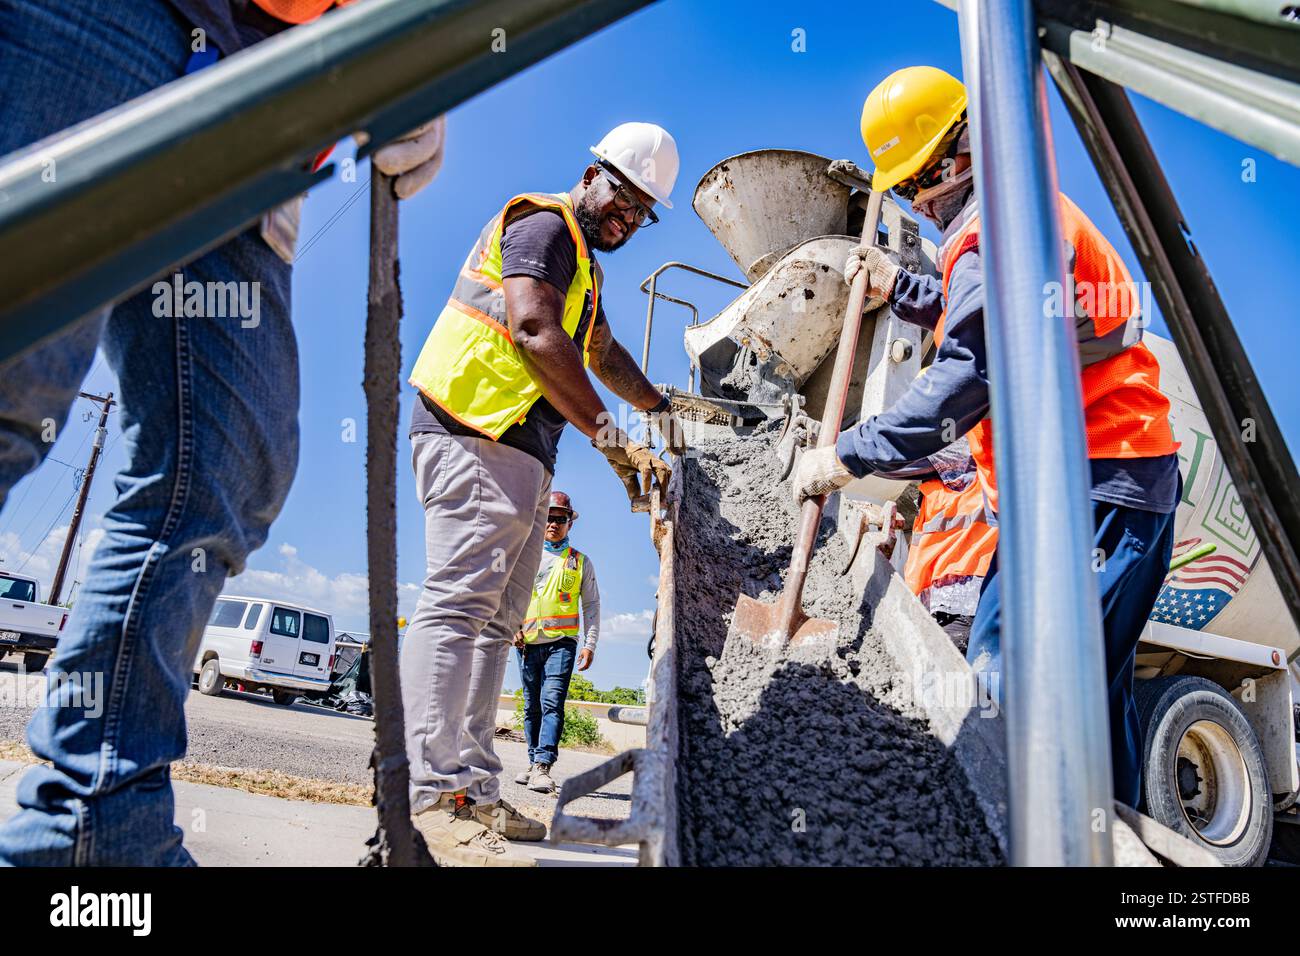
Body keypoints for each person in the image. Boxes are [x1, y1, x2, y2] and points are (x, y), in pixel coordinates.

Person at [0, 0, 444, 866]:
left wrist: (403, 47)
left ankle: (95, 836)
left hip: (271, 101)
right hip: (104, 21)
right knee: (14, 380)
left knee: (222, 469)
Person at [793, 66, 1180, 806]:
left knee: (1007, 686)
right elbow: (988, 311)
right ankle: (1122, 854)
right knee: (1093, 700)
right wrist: (897, 287)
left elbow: (973, 369)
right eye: (905, 190)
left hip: (1095, 483)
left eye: (918, 183)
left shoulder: (995, 226)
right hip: (1103, 482)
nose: (919, 202)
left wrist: (846, 454)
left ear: (957, 156)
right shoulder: (1019, 219)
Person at [400, 122, 685, 866]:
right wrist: (611, 435)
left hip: (520, 450)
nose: (625, 221)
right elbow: (532, 330)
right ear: (593, 176)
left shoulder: (583, 267)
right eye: (622, 200)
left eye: (640, 215)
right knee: (460, 607)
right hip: (474, 431)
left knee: (494, 625)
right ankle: (429, 795)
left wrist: (658, 409)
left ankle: (473, 789)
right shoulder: (545, 226)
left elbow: (600, 349)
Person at [510, 492, 601, 795]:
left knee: (552, 702)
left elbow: (591, 605)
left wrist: (590, 644)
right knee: (531, 705)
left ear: (569, 524)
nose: (553, 523)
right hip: (527, 643)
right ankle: (532, 760)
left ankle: (543, 766)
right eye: (548, 517)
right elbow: (510, 593)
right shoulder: (526, 556)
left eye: (560, 519)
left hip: (562, 643)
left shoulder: (579, 562)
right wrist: (512, 626)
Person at [900, 438, 997, 655]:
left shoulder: (959, 448)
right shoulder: (1004, 457)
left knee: (939, 679)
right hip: (981, 603)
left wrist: (835, 451)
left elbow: (889, 458)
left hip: (955, 604)